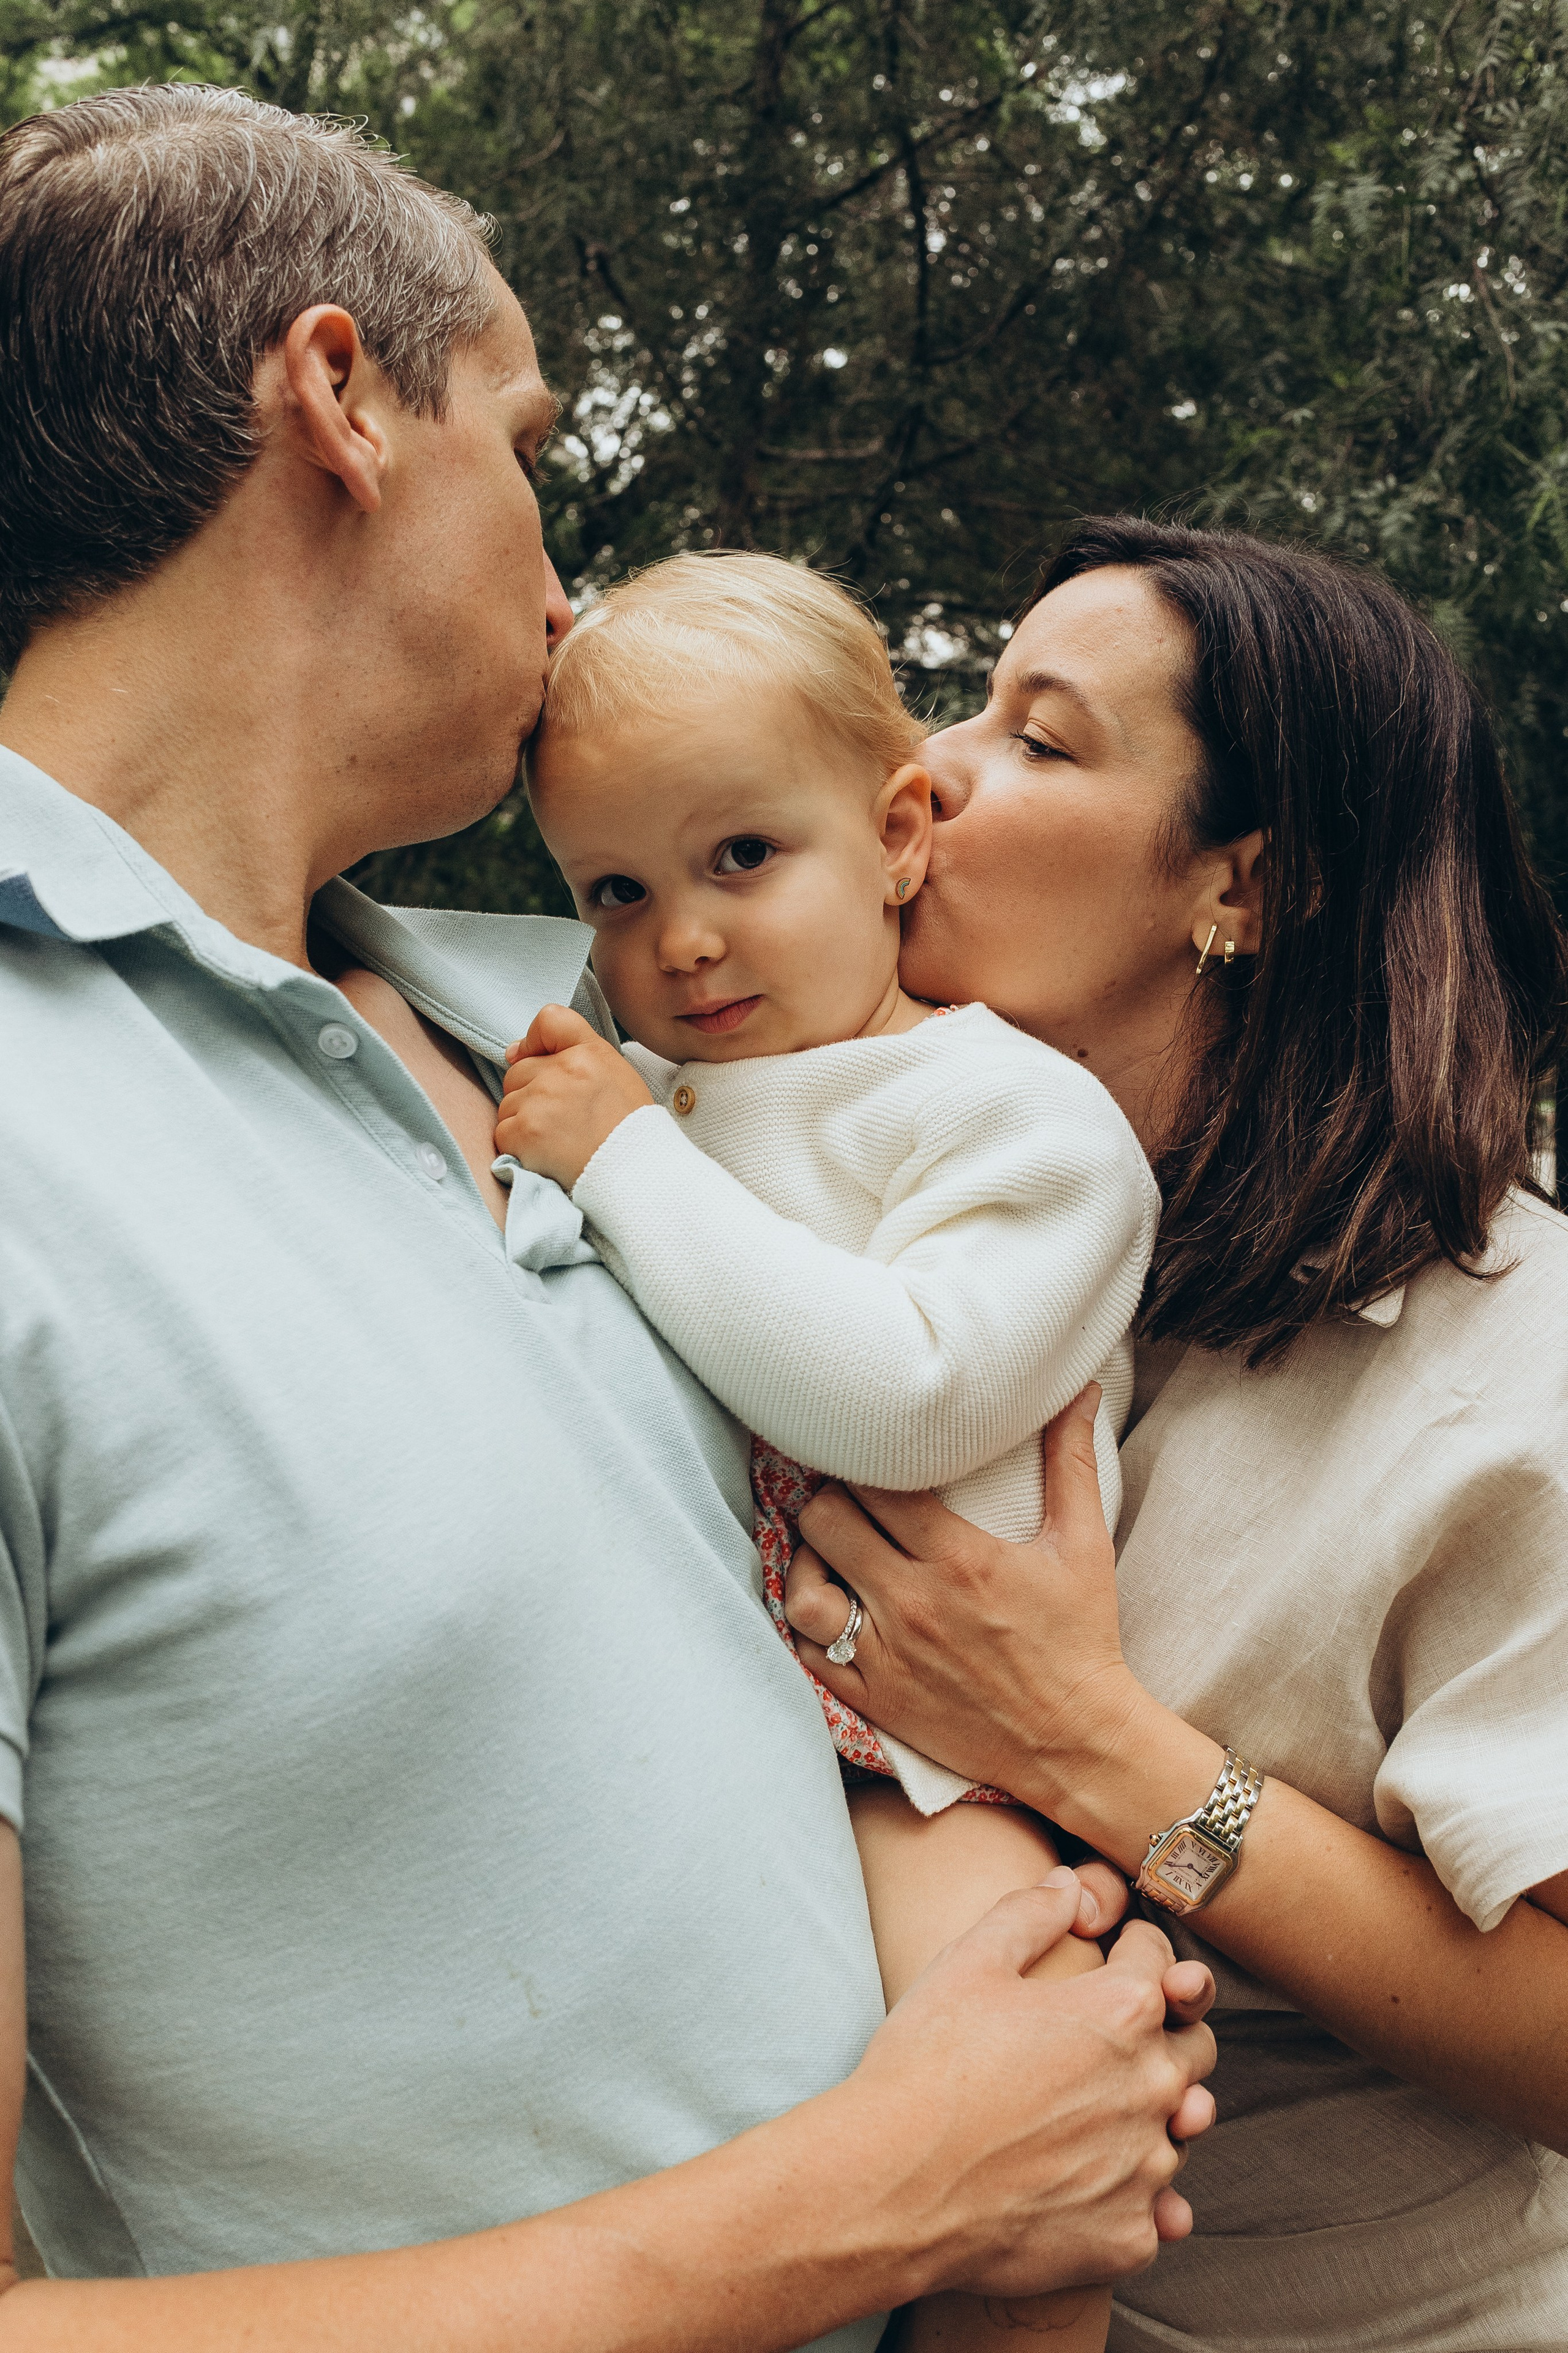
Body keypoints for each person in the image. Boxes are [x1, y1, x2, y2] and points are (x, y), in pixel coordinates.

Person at [0, 87, 1219, 2351]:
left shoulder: (587, 1033)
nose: (565, 581)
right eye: (532, 442)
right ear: (343, 399)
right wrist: (869, 2205)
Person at [783, 518, 1568, 2351]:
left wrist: (1102, 1749)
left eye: (1039, 740)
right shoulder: (903, 1247)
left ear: (1249, 886)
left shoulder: (1510, 1354)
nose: (931, 774)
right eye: (968, 707)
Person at [499, 548, 1161, 2353]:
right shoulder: (675, 1085)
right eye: (615, 887)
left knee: (1025, 2121)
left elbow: (911, 1390)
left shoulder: (1012, 1112)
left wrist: (624, 1159)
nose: (682, 939)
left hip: (938, 1768)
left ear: (895, 834)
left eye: (741, 857)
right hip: (729, 1731)